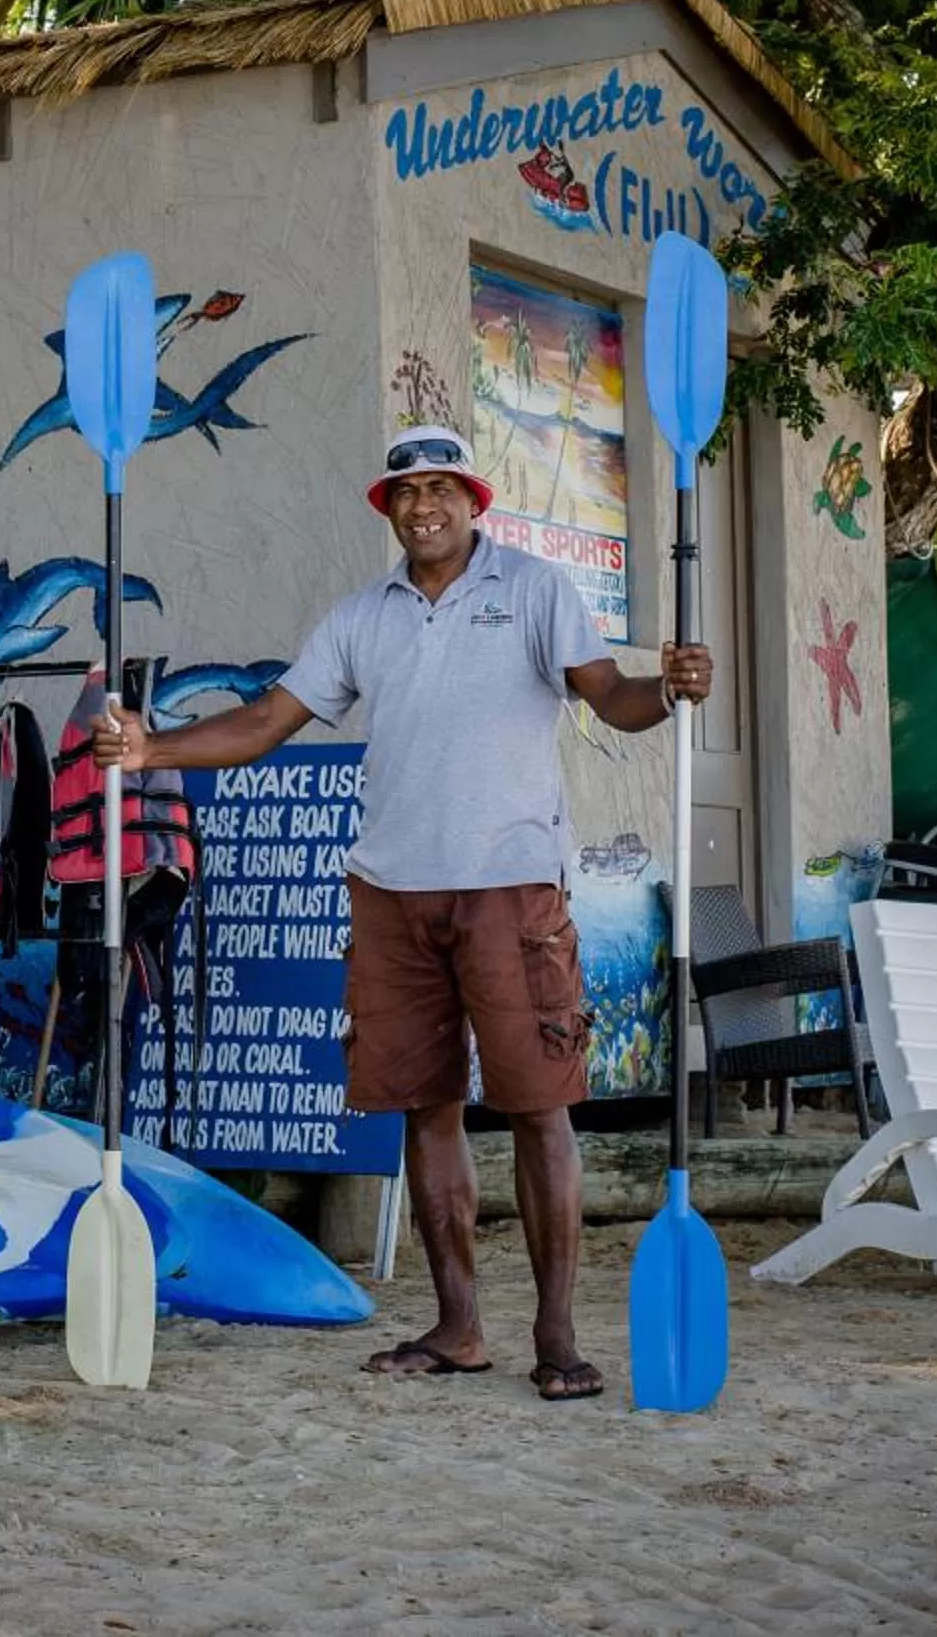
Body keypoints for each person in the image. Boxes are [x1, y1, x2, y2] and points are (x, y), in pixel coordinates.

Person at [93, 423, 711, 1401]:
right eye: (406, 493)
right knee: (425, 1109)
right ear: (389, 510)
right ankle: (459, 1326)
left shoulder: (536, 591)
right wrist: (151, 751)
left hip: (512, 887)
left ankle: (557, 1335)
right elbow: (264, 723)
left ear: (474, 501)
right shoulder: (360, 618)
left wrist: (671, 692)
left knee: (540, 1106)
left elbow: (612, 699)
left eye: (441, 489)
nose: (424, 506)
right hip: (391, 895)